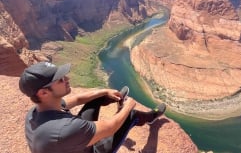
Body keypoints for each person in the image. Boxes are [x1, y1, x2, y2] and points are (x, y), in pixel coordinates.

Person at [19, 61, 166, 153]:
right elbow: (110, 127)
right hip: (90, 150)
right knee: (130, 115)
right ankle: (150, 117)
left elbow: (77, 99)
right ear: (44, 92)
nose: (67, 79)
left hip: (73, 144)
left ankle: (118, 105)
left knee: (95, 99)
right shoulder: (64, 129)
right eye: (60, 80)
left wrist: (104, 92)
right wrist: (128, 106)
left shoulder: (36, 111)